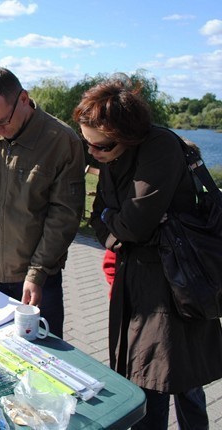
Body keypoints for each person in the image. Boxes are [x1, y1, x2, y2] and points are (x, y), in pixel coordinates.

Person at [73, 75, 222, 429]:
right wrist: (114, 222)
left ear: (126, 136)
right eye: (87, 146)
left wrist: (116, 223)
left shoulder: (160, 147)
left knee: (168, 382)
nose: (93, 155)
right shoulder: (114, 156)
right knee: (144, 378)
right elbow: (100, 219)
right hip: (137, 283)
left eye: (100, 147)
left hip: (175, 287)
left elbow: (132, 225)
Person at [0, 67, 85, 338]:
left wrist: (37, 272)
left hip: (38, 283)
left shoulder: (62, 141)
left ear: (24, 99)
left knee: (44, 363)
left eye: (2, 121)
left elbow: (65, 216)